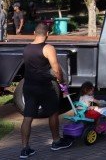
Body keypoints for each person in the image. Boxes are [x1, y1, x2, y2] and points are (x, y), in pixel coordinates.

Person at [19, 23, 73, 158]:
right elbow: (56, 69)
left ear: (34, 33)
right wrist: (61, 81)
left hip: (28, 86)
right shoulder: (48, 48)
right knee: (53, 113)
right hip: (44, 86)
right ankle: (56, 142)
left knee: (28, 117)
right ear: (47, 34)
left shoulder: (27, 48)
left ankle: (25, 149)